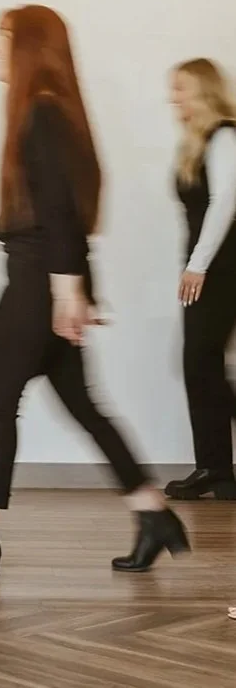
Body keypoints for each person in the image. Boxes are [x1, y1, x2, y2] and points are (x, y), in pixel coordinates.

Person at [0, 6, 189, 578]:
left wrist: (67, 292)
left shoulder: (41, 115)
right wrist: (75, 287)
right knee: (83, 404)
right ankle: (153, 512)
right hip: (50, 277)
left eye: (3, 37)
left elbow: (60, 214)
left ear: (29, 47)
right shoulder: (47, 113)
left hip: (39, 280)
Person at [164, 59, 236, 502]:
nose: (174, 98)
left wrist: (199, 264)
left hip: (221, 267)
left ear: (204, 91)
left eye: (182, 89)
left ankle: (213, 467)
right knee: (200, 363)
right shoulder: (196, 143)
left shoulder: (225, 134)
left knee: (199, 361)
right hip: (207, 266)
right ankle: (217, 471)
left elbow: (225, 201)